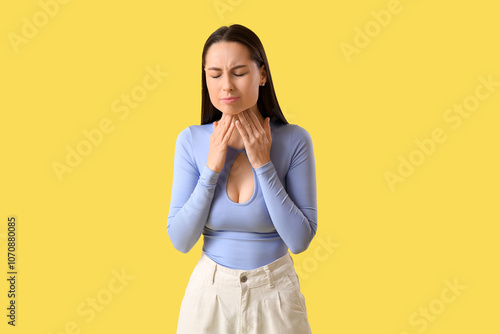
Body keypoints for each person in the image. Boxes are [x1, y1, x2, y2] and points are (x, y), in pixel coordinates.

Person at [167, 24, 317, 334]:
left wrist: (263, 164)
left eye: (238, 72)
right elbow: (181, 241)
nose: (227, 87)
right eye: (215, 74)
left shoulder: (293, 140)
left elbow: (300, 240)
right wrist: (211, 169)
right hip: (209, 298)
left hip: (276, 297)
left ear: (262, 74)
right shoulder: (191, 141)